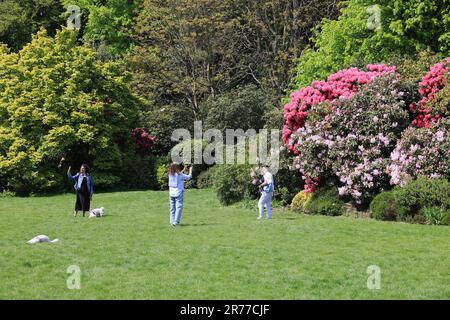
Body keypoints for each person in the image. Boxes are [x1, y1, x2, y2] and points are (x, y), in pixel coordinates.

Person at [168, 163, 192, 227]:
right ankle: (176, 222)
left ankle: (172, 221)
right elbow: (189, 177)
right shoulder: (180, 175)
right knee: (179, 207)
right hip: (178, 193)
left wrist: (183, 170)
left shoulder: (170, 174)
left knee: (172, 208)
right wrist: (190, 170)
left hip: (171, 193)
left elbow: (178, 175)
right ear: (177, 168)